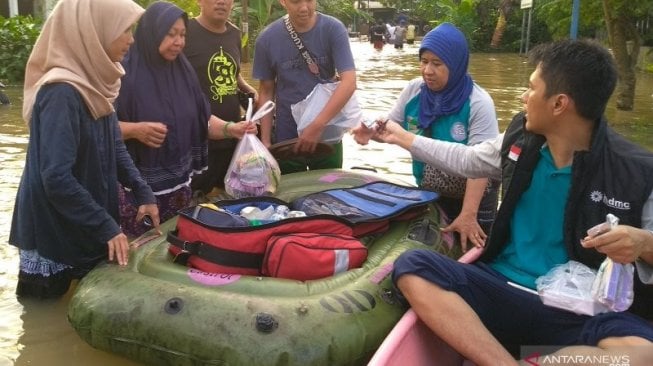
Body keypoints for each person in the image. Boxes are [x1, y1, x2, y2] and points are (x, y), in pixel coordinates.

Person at [370, 39, 653, 364]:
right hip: (501, 287)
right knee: (414, 267)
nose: (523, 97)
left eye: (531, 88)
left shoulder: (637, 171)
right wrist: (401, 136)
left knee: (643, 353)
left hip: (580, 310)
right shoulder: (520, 140)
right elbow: (466, 159)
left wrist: (643, 242)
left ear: (559, 104)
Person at [8, 0, 160, 299]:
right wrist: (105, 225)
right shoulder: (61, 92)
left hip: (85, 217)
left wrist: (142, 191)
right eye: (124, 29)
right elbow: (56, 177)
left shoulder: (99, 81)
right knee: (43, 314)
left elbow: (114, 147)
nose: (131, 39)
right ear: (95, 31)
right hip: (51, 227)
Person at [353, 23, 499, 251]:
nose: (427, 71)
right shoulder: (414, 91)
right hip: (430, 192)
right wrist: (371, 132)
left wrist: (468, 215)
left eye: (437, 64)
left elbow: (482, 165)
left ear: (456, 64)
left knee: (473, 257)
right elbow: (392, 130)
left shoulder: (479, 103)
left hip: (474, 201)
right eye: (424, 61)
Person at [115, 1, 255, 238]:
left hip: (180, 189)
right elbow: (95, 129)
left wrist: (232, 129)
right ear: (152, 33)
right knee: (140, 254)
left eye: (182, 35)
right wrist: (134, 130)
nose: (178, 42)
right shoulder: (122, 75)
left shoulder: (183, 71)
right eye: (170, 35)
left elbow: (201, 118)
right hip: (137, 192)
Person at [253, 0, 356, 174]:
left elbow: (349, 82)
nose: (303, 8)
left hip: (327, 134)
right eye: (295, 1)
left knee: (329, 190)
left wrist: (317, 126)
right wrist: (265, 141)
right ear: (283, 2)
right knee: (290, 192)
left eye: (309, 0)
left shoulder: (333, 29)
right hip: (287, 137)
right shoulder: (267, 39)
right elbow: (266, 90)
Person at [185, 0, 259, 197]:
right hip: (197, 139)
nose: (221, 2)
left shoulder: (234, 33)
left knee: (228, 197)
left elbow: (233, 73)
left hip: (233, 136)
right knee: (194, 198)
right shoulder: (185, 31)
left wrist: (249, 90)